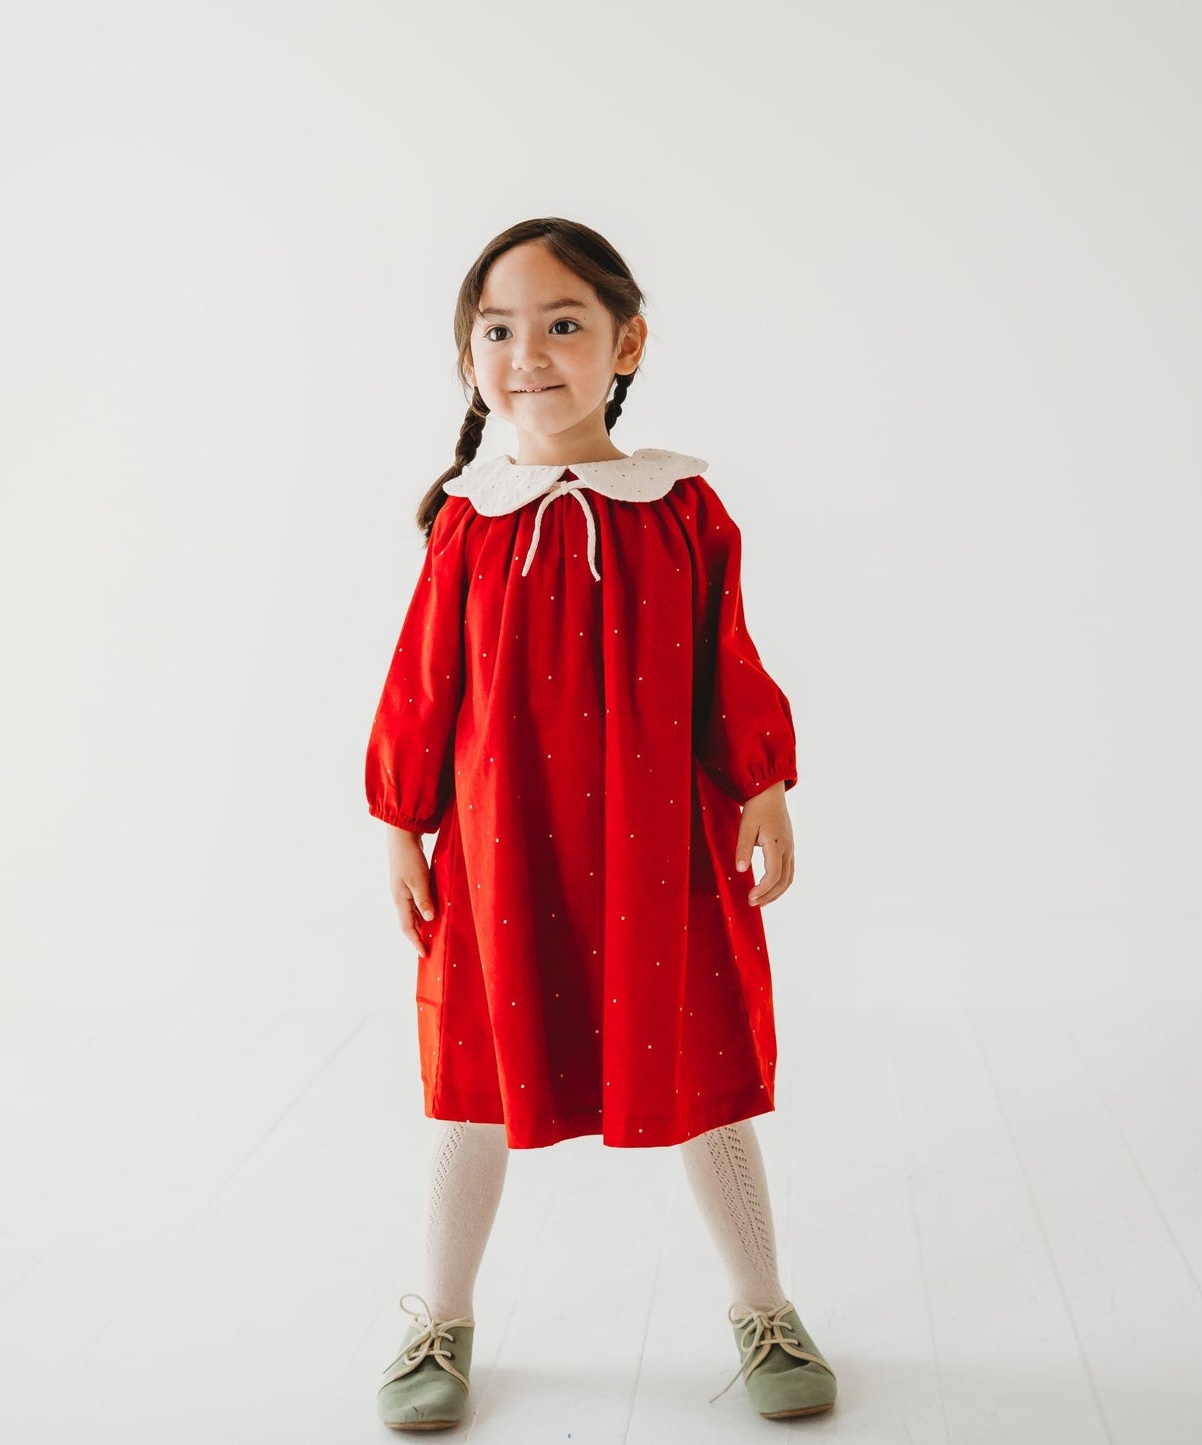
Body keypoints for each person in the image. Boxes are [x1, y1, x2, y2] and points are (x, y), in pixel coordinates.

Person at [364, 217, 837, 1430]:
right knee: (474, 1082)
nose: (529, 352)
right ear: (468, 357)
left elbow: (725, 660)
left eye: (563, 323)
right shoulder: (471, 523)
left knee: (702, 1073)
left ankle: (762, 1301)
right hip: (501, 854)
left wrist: (765, 780)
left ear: (625, 343)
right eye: (498, 328)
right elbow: (421, 685)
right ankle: (440, 1310)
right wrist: (401, 823)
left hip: (657, 846)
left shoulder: (678, 505)